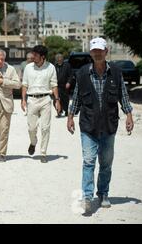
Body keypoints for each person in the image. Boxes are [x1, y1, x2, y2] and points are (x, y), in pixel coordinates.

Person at [67, 37, 134, 215]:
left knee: (105, 163)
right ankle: (87, 197)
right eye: (94, 50)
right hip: (88, 125)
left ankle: (103, 193)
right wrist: (71, 116)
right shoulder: (82, 73)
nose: (97, 53)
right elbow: (77, 97)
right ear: (91, 52)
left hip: (109, 125)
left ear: (106, 51)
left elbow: (123, 95)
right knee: (88, 161)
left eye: (100, 50)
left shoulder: (116, 73)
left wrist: (129, 115)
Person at [21, 45, 61, 163]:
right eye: (33, 54)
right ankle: (33, 142)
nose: (33, 56)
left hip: (45, 99)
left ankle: (43, 153)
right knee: (31, 128)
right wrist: (23, 99)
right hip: (31, 100)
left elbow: (54, 85)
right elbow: (24, 84)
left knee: (45, 128)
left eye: (36, 55)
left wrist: (57, 100)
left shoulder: (51, 67)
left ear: (43, 57)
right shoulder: (28, 68)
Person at [54, 53, 72, 117]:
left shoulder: (67, 65)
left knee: (65, 99)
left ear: (62, 59)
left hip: (65, 85)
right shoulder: (54, 66)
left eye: (60, 59)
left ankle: (66, 110)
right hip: (57, 86)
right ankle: (59, 111)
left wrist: (69, 82)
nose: (59, 60)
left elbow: (70, 75)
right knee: (56, 99)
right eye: (57, 59)